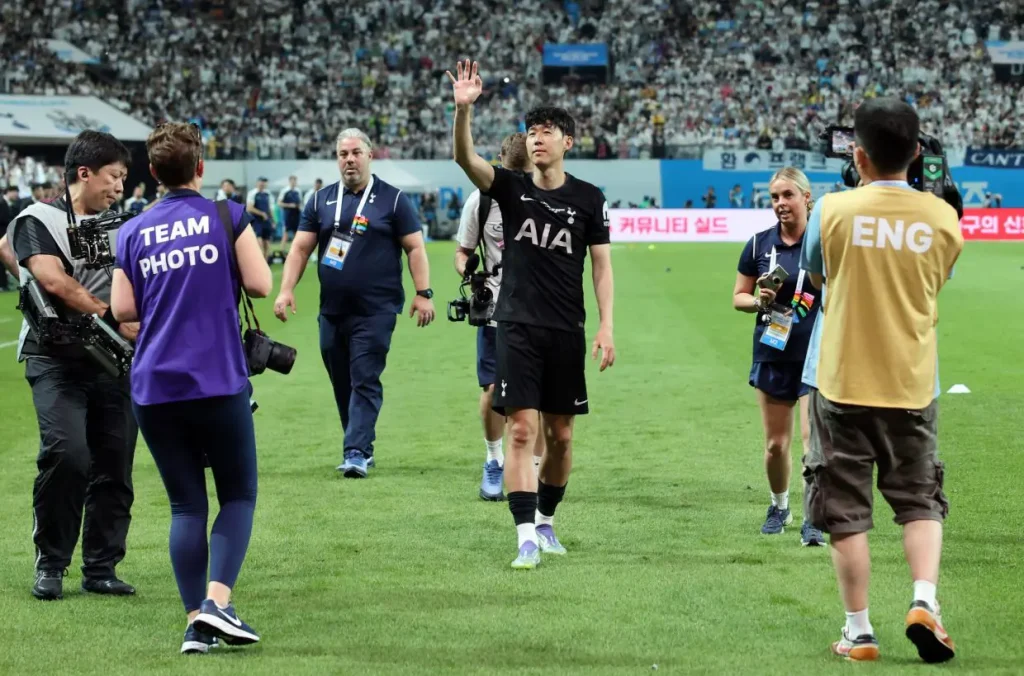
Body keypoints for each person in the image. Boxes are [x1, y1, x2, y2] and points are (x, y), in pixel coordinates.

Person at [799, 98, 962, 663]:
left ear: (858, 155)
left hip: (842, 380)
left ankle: (859, 632)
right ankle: (924, 601)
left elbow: (818, 276)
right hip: (912, 381)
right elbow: (937, 280)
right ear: (918, 154)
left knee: (844, 511)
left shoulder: (833, 209)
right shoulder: (943, 216)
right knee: (920, 501)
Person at [110, 122, 272, 654]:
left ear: (152, 173)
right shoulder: (225, 214)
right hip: (217, 377)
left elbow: (122, 310)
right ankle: (218, 605)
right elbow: (259, 284)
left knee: (185, 507)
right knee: (238, 494)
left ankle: (194, 625)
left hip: (154, 384)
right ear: (200, 168)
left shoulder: (132, 230)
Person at [448, 60, 616, 570]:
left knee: (561, 437)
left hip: (566, 329)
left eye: (547, 133)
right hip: (515, 325)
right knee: (522, 431)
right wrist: (463, 112)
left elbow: (602, 268)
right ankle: (524, 535)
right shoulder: (509, 188)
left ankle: (546, 521)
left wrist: (607, 325)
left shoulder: (588, 199)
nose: (537, 140)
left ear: (568, 142)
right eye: (532, 133)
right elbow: (466, 160)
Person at [6, 130, 139, 601]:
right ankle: (52, 562)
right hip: (55, 359)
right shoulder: (35, 218)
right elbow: (51, 278)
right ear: (84, 173)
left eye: (123, 178)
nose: (120, 187)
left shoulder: (125, 225)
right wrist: (111, 316)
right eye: (114, 177)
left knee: (115, 465)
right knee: (67, 455)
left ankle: (101, 567)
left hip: (116, 365)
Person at [273, 128, 435, 477]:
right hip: (331, 311)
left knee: (364, 377)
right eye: (343, 154)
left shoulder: (393, 200)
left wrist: (423, 293)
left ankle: (356, 451)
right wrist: (286, 289)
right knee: (342, 381)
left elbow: (415, 248)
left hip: (376, 310)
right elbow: (300, 249)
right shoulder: (320, 200)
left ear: (369, 155)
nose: (349, 159)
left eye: (355, 153)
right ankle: (359, 442)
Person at [732, 167, 825, 546]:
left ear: (806, 197)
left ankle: (813, 518)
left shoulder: (823, 243)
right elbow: (738, 295)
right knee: (775, 445)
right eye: (774, 197)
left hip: (814, 354)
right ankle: (779, 506)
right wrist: (757, 302)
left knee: (810, 442)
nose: (780, 204)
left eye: (788, 195)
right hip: (772, 351)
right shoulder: (758, 245)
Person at [454, 132, 545, 501]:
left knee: (539, 396)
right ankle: (494, 459)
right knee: (493, 390)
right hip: (494, 309)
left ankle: (534, 471)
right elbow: (461, 251)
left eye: (524, 172)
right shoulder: (481, 201)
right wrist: (467, 270)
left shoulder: (547, 197)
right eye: (513, 172)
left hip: (541, 311)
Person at [246, 176, 275, 260]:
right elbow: (249, 208)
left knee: (267, 241)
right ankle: (259, 260)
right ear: (257, 183)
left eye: (264, 182)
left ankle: (265, 262)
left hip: (266, 221)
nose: (262, 184)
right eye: (261, 182)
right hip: (256, 221)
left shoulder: (268, 194)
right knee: (259, 241)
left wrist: (273, 221)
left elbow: (270, 209)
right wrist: (261, 213)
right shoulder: (252, 193)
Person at [277, 175, 302, 250]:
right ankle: (282, 250)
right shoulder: (285, 191)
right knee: (286, 233)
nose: (294, 182)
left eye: (295, 181)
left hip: (296, 215)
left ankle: (295, 249)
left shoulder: (298, 191)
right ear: (290, 181)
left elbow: (300, 202)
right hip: (287, 215)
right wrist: (289, 205)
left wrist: (299, 206)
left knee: (296, 234)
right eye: (292, 180)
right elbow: (279, 203)